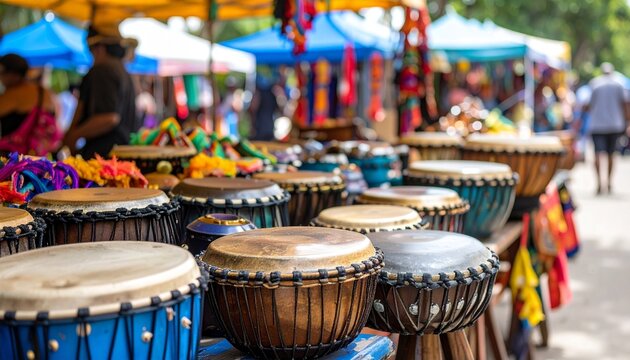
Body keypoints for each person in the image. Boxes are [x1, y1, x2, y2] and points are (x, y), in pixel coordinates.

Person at [63, 25, 139, 158]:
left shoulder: (103, 70)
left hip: (105, 156)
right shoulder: (122, 70)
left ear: (100, 48)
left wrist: (74, 135)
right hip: (122, 154)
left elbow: (109, 118)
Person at [0, 54, 60, 155]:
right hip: (40, 158)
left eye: (2, 73)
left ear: (13, 74)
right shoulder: (44, 92)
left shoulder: (10, 95)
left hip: (13, 160)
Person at [584, 62, 630, 194]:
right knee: (611, 154)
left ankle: (599, 183)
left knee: (598, 153)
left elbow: (588, 105)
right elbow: (625, 105)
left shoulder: (595, 84)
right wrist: (627, 122)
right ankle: (608, 182)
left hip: (597, 124)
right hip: (615, 124)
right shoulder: (619, 84)